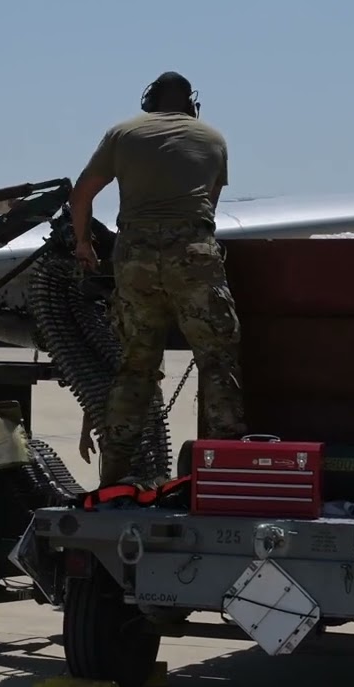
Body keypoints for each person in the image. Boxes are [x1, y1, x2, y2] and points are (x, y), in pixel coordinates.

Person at [70, 71, 246, 488]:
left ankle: (114, 476)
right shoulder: (213, 138)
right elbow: (209, 209)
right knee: (218, 363)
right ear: (191, 105)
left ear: (150, 101)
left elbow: (81, 194)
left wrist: (83, 244)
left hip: (135, 258)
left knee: (135, 367)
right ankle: (224, 472)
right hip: (193, 255)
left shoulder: (123, 133)